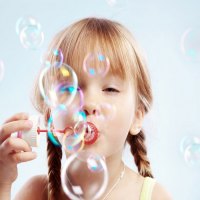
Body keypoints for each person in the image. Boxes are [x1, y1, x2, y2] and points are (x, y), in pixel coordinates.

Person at [0, 17, 172, 200]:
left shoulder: (154, 196)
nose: (89, 103)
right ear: (50, 115)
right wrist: (3, 184)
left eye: (110, 89)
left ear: (137, 117)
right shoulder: (36, 193)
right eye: (71, 89)